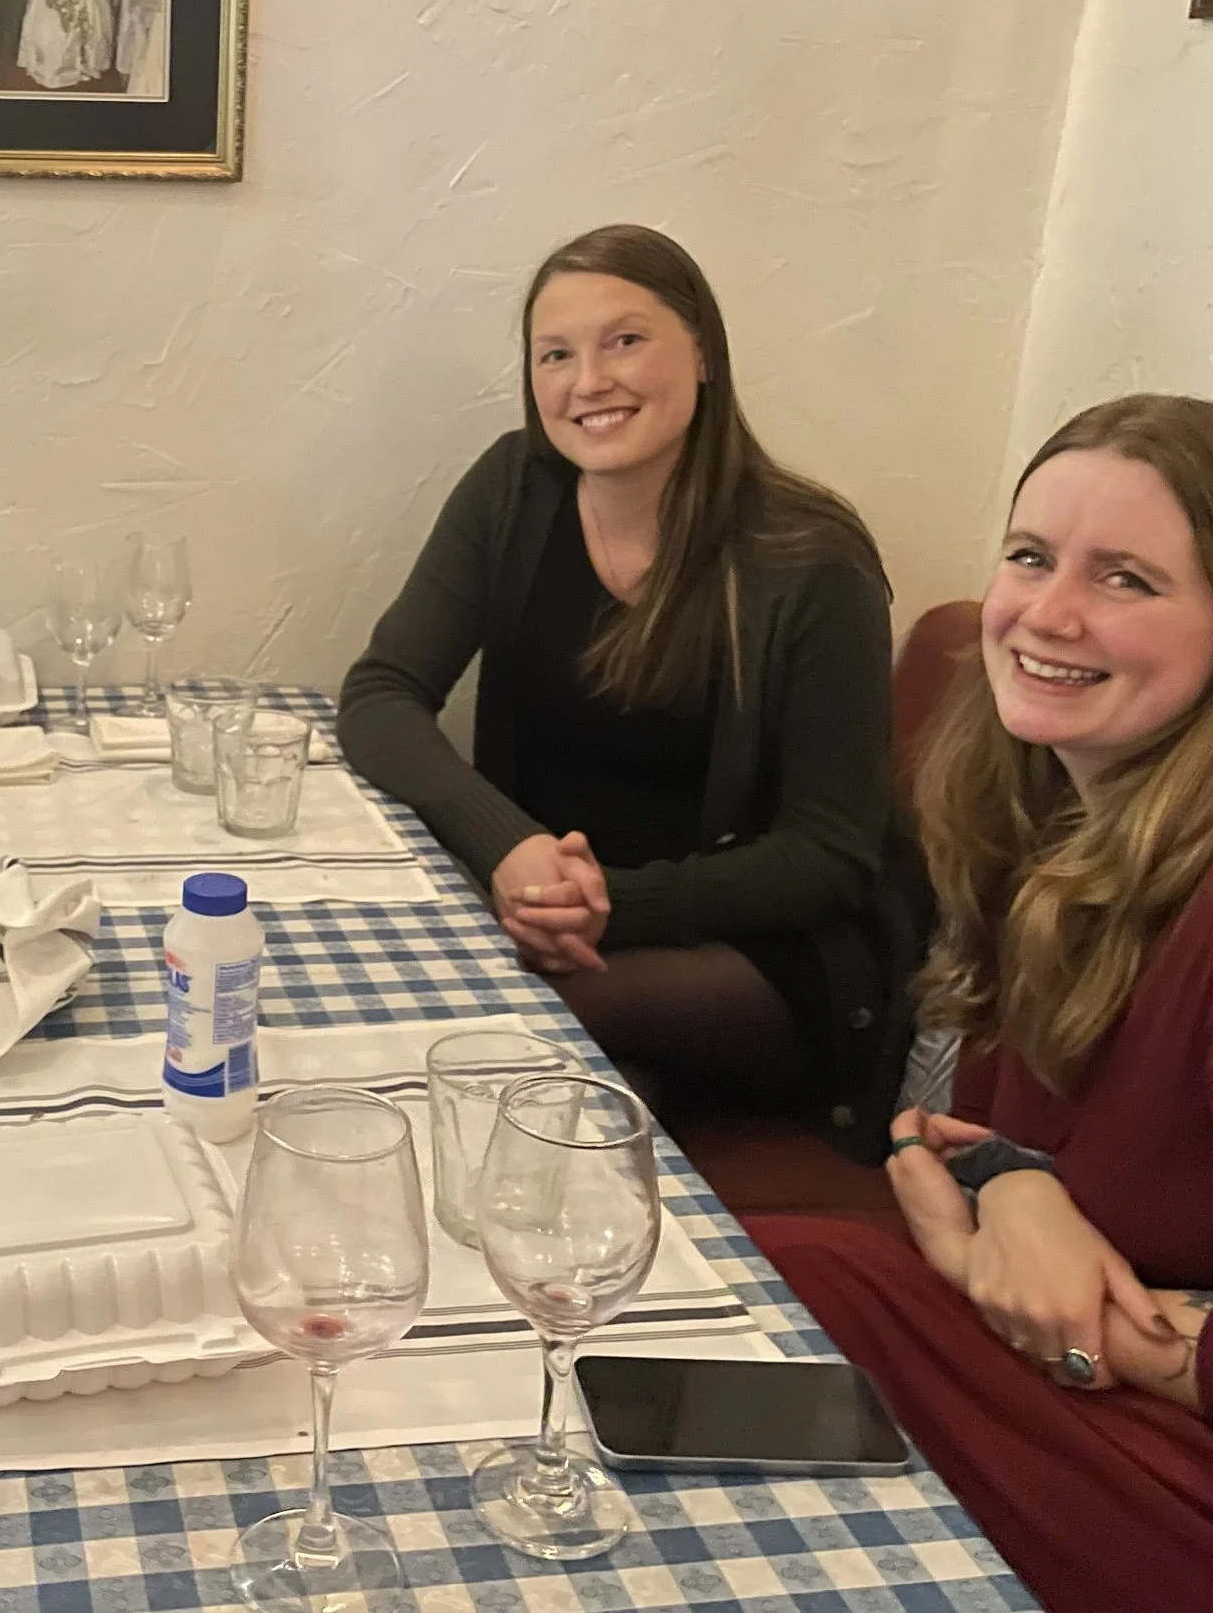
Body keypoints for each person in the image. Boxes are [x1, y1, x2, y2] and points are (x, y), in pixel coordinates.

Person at [752, 395, 1213, 1613]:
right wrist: (1012, 1188)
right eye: (1030, 557)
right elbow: (943, 1138)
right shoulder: (1051, 806)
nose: (1047, 615)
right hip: (1107, 1383)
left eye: (1127, 580)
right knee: (755, 1293)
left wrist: (1063, 1314)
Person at [339, 225, 915, 1157]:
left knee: (473, 1028)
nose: (588, 381)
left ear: (704, 351)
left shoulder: (811, 558)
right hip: (544, 916)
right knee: (564, 1117)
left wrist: (612, 904)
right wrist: (510, 844)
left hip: (754, 953)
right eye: (555, 354)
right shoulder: (512, 489)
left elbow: (831, 852)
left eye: (626, 340)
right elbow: (381, 693)